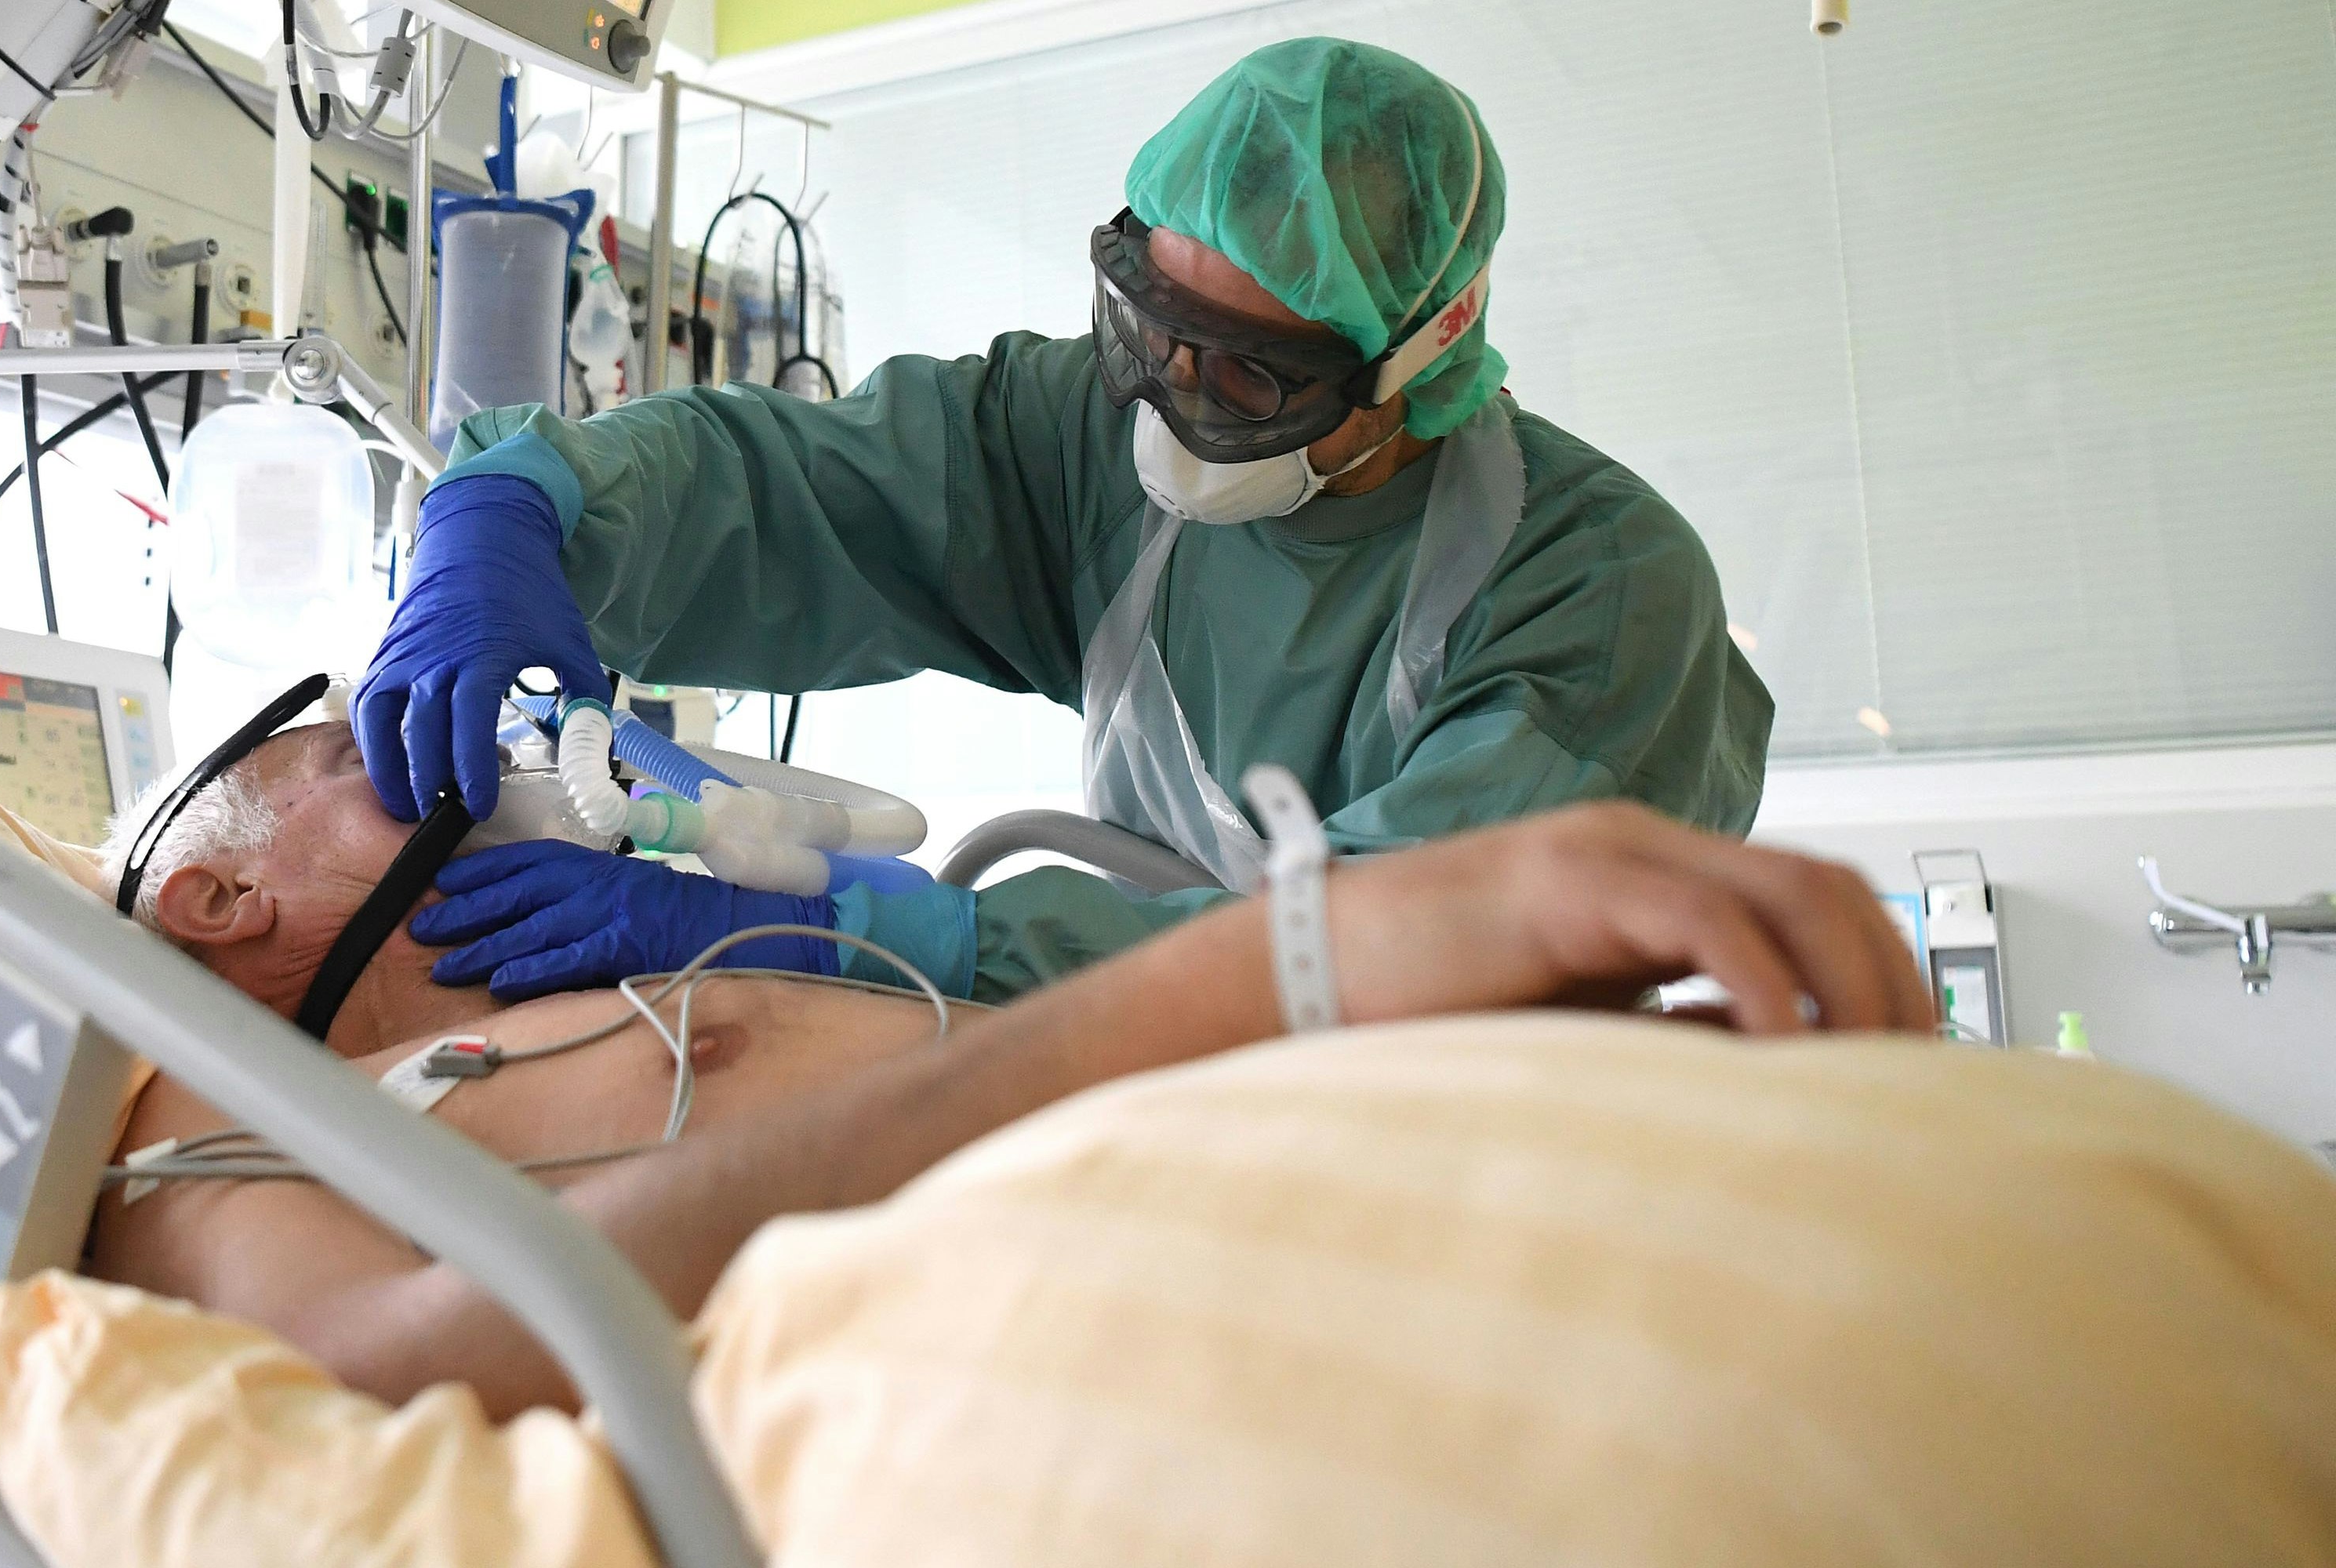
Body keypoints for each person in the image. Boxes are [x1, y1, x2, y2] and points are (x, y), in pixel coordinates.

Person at [352, 38, 1772, 1007]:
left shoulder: (1600, 591)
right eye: (1148, 330)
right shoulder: (1086, 437)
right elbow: (798, 490)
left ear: (1425, 344)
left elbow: (1419, 944)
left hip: (1442, 1145)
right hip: (1120, 1083)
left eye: (1255, 377)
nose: (1168, 404)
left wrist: (908, 938)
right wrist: (517, 509)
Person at [93, 710, 1925, 1418]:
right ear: (214, 893)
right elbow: (372, 1368)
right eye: (374, 754)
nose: (453, 760)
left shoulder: (509, 1021)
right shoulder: (182, 1096)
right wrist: (1271, 973)